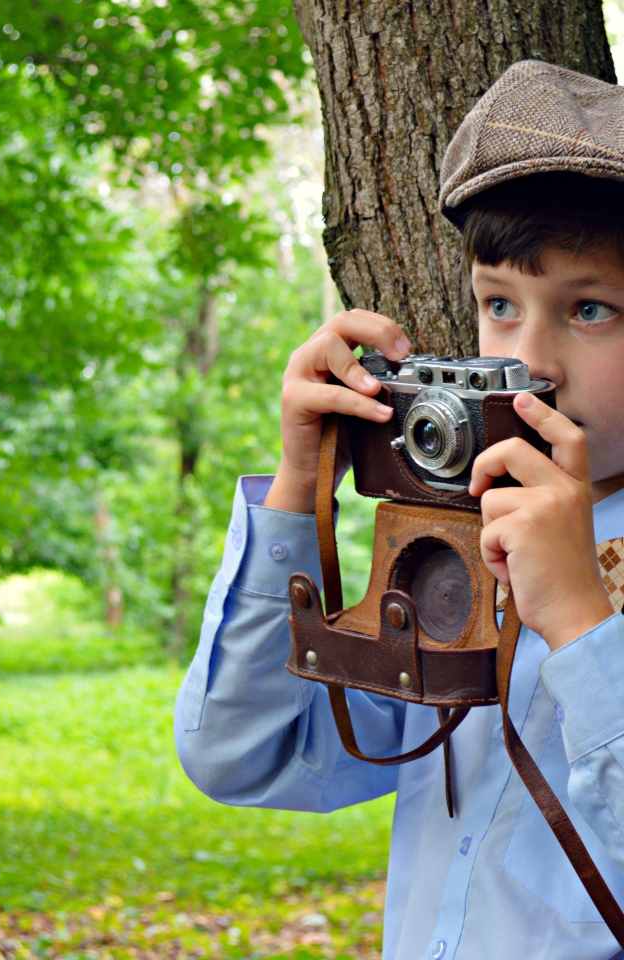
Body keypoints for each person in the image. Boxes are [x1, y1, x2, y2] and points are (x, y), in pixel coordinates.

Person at [175, 61, 624, 959]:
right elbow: (247, 754)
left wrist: (580, 621)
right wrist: (298, 490)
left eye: (589, 309)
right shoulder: (450, 547)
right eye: (499, 303)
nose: (531, 361)